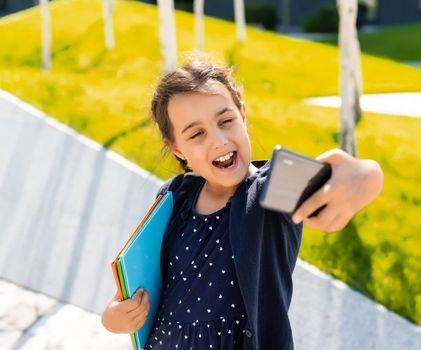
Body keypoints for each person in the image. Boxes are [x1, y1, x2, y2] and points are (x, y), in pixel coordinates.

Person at [101, 57, 383, 349]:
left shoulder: (269, 192)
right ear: (176, 148)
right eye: (197, 134)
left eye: (226, 121)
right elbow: (139, 285)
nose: (219, 140)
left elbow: (349, 176)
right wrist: (114, 317)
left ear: (243, 115)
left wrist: (366, 176)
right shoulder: (175, 197)